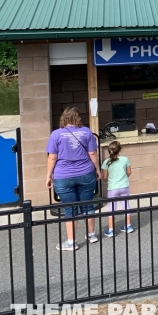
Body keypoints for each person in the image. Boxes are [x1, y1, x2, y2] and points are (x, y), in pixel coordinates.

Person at [45, 107, 100, 251]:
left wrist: (48, 175)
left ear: (64, 118)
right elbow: (92, 153)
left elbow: (52, 157)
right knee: (87, 205)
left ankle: (71, 242)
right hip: (86, 173)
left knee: (70, 209)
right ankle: (92, 235)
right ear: (78, 117)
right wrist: (97, 169)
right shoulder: (86, 132)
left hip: (63, 176)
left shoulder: (56, 134)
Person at [101, 141, 133, 237]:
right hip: (124, 186)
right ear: (120, 150)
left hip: (112, 188)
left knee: (112, 209)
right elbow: (129, 172)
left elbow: (104, 177)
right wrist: (123, 177)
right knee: (126, 206)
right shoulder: (125, 159)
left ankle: (111, 230)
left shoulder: (106, 162)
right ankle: (128, 226)